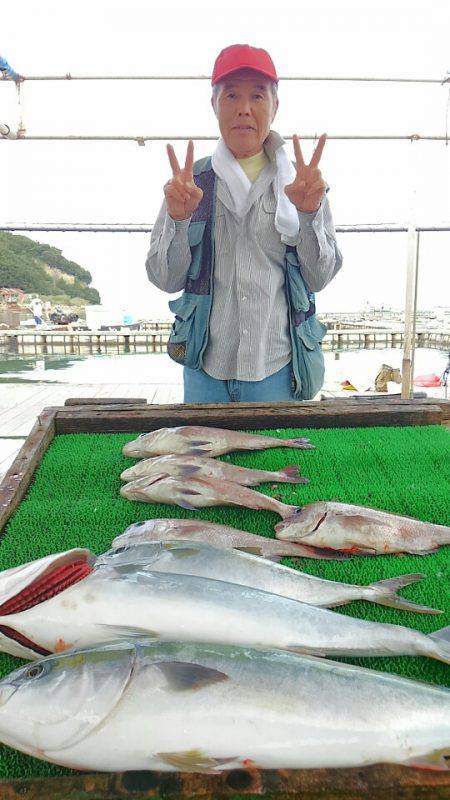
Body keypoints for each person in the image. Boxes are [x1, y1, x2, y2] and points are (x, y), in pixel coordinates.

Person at [146, 44, 343, 403]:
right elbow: (165, 279)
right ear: (214, 104)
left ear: (275, 105)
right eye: (232, 95)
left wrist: (309, 213)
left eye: (257, 95)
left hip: (278, 369)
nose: (244, 108)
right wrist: (178, 218)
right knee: (199, 446)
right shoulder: (190, 183)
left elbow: (319, 277)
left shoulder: (302, 183)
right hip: (205, 371)